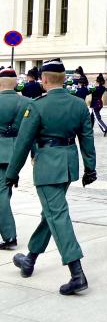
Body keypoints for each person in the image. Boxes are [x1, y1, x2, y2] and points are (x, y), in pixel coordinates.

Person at [4, 58, 97, 295]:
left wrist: (12, 174)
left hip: (47, 166)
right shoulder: (78, 105)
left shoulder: (37, 106)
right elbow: (87, 138)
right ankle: (30, 259)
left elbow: (23, 144)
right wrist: (90, 168)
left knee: (57, 215)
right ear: (63, 79)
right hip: (67, 165)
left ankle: (77, 274)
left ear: (44, 80)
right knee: (50, 213)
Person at [0, 67, 27, 251]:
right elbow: (32, 131)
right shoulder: (28, 102)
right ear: (16, 83)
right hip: (17, 153)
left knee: (1, 195)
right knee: (5, 191)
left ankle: (10, 236)